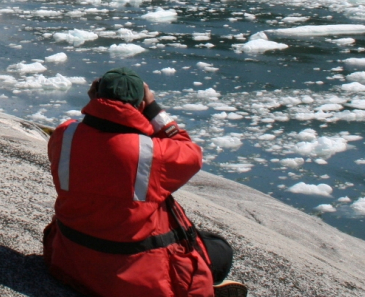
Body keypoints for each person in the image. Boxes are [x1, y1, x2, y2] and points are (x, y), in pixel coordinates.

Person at [43, 67, 247, 297]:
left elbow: (94, 138)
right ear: (141, 105)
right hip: (132, 277)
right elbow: (192, 153)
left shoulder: (64, 135)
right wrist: (154, 110)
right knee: (220, 251)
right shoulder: (151, 153)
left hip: (71, 259)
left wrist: (97, 106)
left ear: (95, 95)